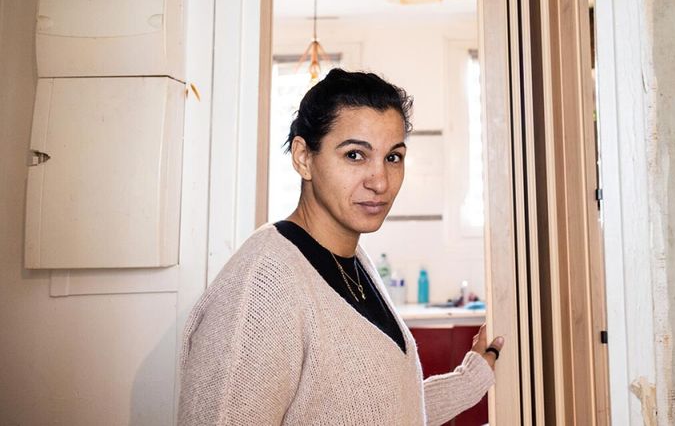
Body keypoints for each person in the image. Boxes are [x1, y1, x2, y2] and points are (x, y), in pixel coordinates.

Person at [178, 69, 504, 425]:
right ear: (303, 157)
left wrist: (470, 379)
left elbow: (377, 408)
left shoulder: (352, 260)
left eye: (393, 157)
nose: (380, 182)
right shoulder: (262, 287)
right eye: (354, 155)